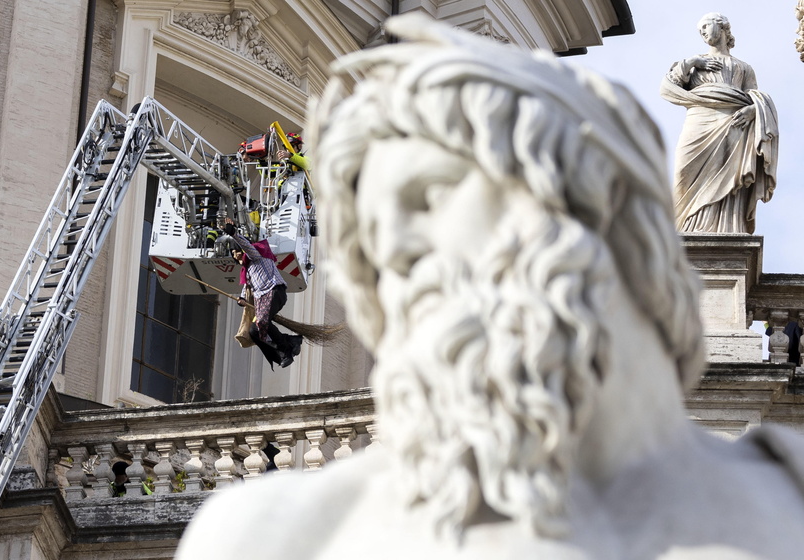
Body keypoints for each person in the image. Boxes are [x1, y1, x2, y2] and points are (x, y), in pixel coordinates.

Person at [177, 14, 804, 560]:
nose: (394, 251)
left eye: (428, 197)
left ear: (580, 197)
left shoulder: (789, 497)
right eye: (374, 243)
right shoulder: (270, 538)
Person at [661, 12, 778, 233]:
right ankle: (682, 225)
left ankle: (725, 227)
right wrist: (691, 62)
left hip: (733, 125)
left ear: (723, 27)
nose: (703, 32)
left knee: (728, 178)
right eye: (700, 30)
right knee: (682, 174)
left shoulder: (743, 67)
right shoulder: (695, 64)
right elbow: (668, 88)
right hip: (698, 121)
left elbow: (754, 95)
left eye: (706, 26)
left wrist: (754, 110)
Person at [225, 218, 301, 369]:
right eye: (233, 254)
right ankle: (287, 346)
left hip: (274, 292)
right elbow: (247, 287)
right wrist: (241, 298)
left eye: (236, 252)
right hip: (262, 300)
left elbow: (247, 246)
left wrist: (234, 233)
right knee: (254, 331)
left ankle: (287, 348)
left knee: (261, 322)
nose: (235, 256)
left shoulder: (256, 255)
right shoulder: (247, 272)